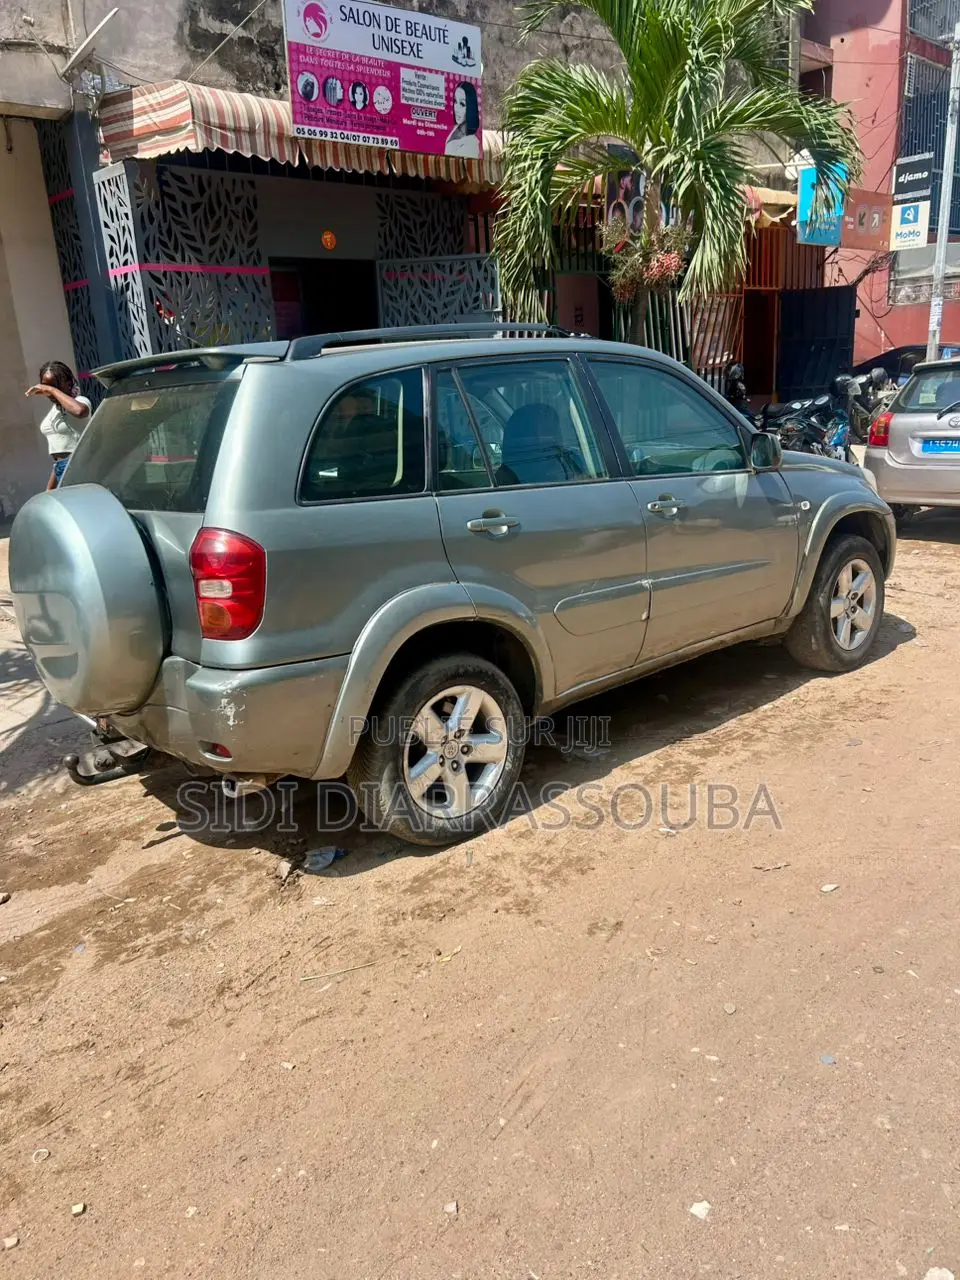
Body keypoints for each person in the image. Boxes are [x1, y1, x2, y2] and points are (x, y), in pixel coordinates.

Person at [26, 360, 90, 490]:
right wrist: (50, 489)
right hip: (60, 467)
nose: (50, 392)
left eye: (55, 385)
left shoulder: (79, 401)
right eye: (46, 386)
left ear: (68, 383)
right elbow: (59, 454)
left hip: (78, 466)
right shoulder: (55, 409)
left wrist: (51, 389)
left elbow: (80, 411)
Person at [445, 83, 480, 159]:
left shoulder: (471, 144)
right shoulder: (456, 128)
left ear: (471, 107)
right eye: (455, 101)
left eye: (462, 104)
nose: (456, 108)